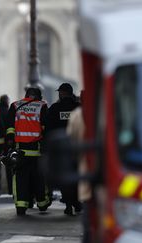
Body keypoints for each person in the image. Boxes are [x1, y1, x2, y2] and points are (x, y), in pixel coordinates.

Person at [6, 87, 51, 216]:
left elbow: (10, 127)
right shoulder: (41, 106)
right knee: (39, 178)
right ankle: (42, 204)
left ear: (26, 95)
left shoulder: (15, 105)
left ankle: (21, 206)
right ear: (37, 96)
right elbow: (45, 127)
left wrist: (10, 143)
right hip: (36, 150)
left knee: (20, 178)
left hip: (20, 151)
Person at [46, 83, 82, 215]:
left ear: (62, 93)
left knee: (64, 177)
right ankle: (77, 202)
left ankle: (68, 203)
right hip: (77, 147)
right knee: (77, 175)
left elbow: (48, 128)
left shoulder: (55, 108)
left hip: (61, 149)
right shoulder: (78, 108)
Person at [0, 94, 12, 196]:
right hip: (8, 144)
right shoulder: (9, 112)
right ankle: (10, 190)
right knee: (9, 167)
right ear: (6, 101)